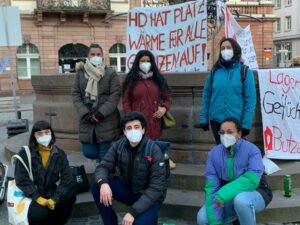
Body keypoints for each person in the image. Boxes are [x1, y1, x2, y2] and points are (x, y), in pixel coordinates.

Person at [91, 111, 167, 225]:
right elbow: (103, 165)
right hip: (128, 189)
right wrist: (103, 183)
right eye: (129, 128)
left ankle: (149, 217)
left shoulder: (154, 150)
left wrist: (132, 213)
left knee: (139, 223)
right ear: (124, 132)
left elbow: (156, 188)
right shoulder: (120, 145)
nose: (133, 130)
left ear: (143, 129)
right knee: (97, 186)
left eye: (136, 127)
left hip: (149, 196)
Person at [197, 118, 272, 225]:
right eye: (222, 133)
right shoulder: (214, 153)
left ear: (239, 134)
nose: (225, 136)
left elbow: (252, 180)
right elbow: (211, 187)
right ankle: (233, 217)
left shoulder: (252, 150)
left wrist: (223, 194)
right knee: (203, 219)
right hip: (225, 196)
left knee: (241, 201)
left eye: (229, 132)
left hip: (256, 191)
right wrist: (215, 221)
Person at [14, 120, 76, 225]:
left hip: (51, 192)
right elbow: (21, 179)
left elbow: (67, 179)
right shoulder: (25, 153)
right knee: (38, 215)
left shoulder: (60, 154)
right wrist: (37, 197)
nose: (44, 136)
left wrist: (55, 197)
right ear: (34, 136)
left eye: (47, 132)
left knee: (70, 195)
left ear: (51, 133)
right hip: (31, 195)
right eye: (39, 133)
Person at [122, 50, 175, 168]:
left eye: (148, 61)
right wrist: (130, 119)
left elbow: (168, 98)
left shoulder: (158, 79)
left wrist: (164, 108)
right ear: (137, 63)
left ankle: (157, 165)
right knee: (138, 150)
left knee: (153, 148)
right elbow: (126, 102)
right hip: (137, 122)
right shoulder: (131, 80)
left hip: (154, 121)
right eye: (142, 61)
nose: (145, 63)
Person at [199, 37, 256, 144]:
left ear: (235, 50)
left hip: (236, 122)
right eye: (223, 48)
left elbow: (250, 101)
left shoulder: (244, 71)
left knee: (237, 154)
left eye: (228, 47)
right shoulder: (215, 71)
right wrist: (203, 118)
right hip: (216, 120)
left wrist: (246, 124)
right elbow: (206, 95)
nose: (225, 50)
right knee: (221, 152)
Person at [72, 43, 121, 161]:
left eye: (98, 54)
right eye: (93, 54)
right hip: (87, 119)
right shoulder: (80, 73)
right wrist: (85, 113)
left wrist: (101, 113)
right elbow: (76, 94)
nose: (96, 56)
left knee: (104, 153)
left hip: (106, 119)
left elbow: (115, 95)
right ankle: (106, 167)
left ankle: (103, 174)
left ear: (103, 56)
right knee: (89, 152)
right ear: (88, 56)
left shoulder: (110, 73)